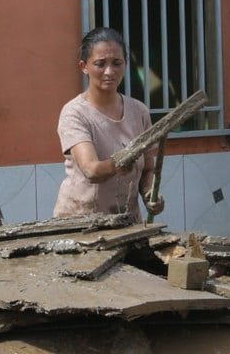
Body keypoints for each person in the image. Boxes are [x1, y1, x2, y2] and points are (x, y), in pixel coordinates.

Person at [53, 27, 166, 219]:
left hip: (126, 222)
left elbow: (147, 168)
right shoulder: (74, 113)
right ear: (84, 66)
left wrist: (149, 195)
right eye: (100, 64)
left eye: (117, 63)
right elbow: (91, 169)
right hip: (80, 224)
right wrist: (120, 162)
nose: (109, 72)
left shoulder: (139, 111)